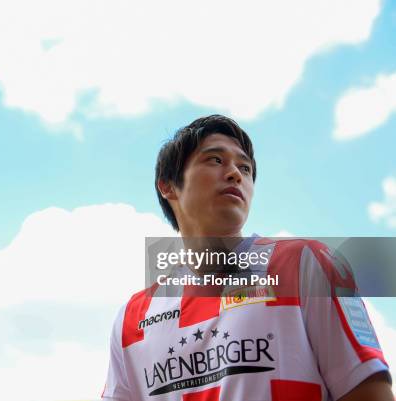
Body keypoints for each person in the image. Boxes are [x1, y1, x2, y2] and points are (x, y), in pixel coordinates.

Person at [101, 115, 392, 401]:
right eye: (215, 160)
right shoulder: (132, 319)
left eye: (245, 168)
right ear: (168, 186)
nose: (235, 174)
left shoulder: (306, 264)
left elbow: (369, 393)